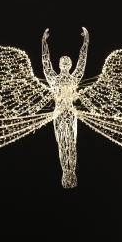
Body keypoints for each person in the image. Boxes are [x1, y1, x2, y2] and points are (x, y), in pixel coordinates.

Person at [42, 27, 89, 188]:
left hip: (71, 113)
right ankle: (65, 172)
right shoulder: (53, 80)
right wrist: (44, 43)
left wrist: (86, 42)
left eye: (67, 61)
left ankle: (72, 172)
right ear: (59, 64)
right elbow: (45, 62)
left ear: (70, 64)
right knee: (62, 143)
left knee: (72, 143)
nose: (65, 63)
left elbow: (82, 61)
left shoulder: (74, 78)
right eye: (62, 62)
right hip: (59, 114)